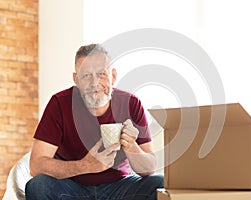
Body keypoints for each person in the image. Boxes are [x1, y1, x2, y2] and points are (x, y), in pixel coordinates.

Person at [25, 44, 164, 199]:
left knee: (160, 183)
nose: (94, 83)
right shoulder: (59, 103)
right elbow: (36, 165)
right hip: (72, 188)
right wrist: (86, 165)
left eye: (101, 74)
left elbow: (149, 167)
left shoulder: (131, 104)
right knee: (38, 185)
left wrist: (132, 146)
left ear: (113, 76)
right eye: (86, 76)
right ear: (76, 80)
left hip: (119, 187)